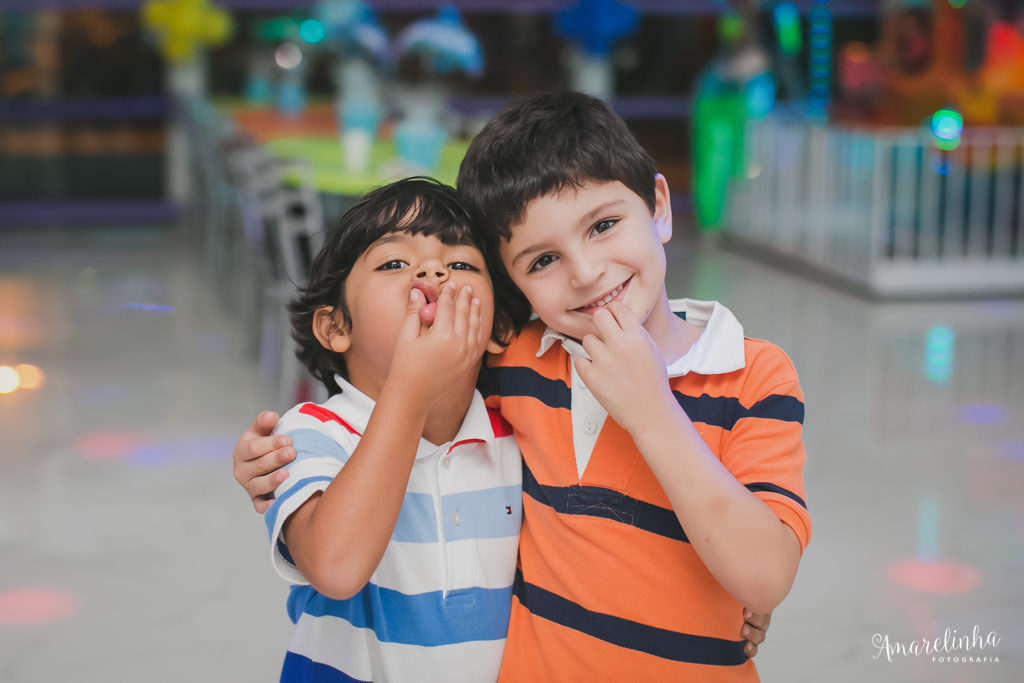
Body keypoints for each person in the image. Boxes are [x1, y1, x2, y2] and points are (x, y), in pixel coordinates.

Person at [236, 92, 806, 680]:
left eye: (604, 225)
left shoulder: (752, 374)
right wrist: (267, 462)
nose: (586, 272)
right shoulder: (520, 364)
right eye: (541, 261)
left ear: (659, 206)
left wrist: (653, 411)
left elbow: (762, 575)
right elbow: (342, 534)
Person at [259, 177, 523, 682]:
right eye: (394, 263)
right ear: (337, 327)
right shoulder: (313, 432)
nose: (433, 269)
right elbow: (335, 567)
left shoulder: (522, 433)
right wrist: (412, 387)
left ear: (499, 328)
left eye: (462, 263)